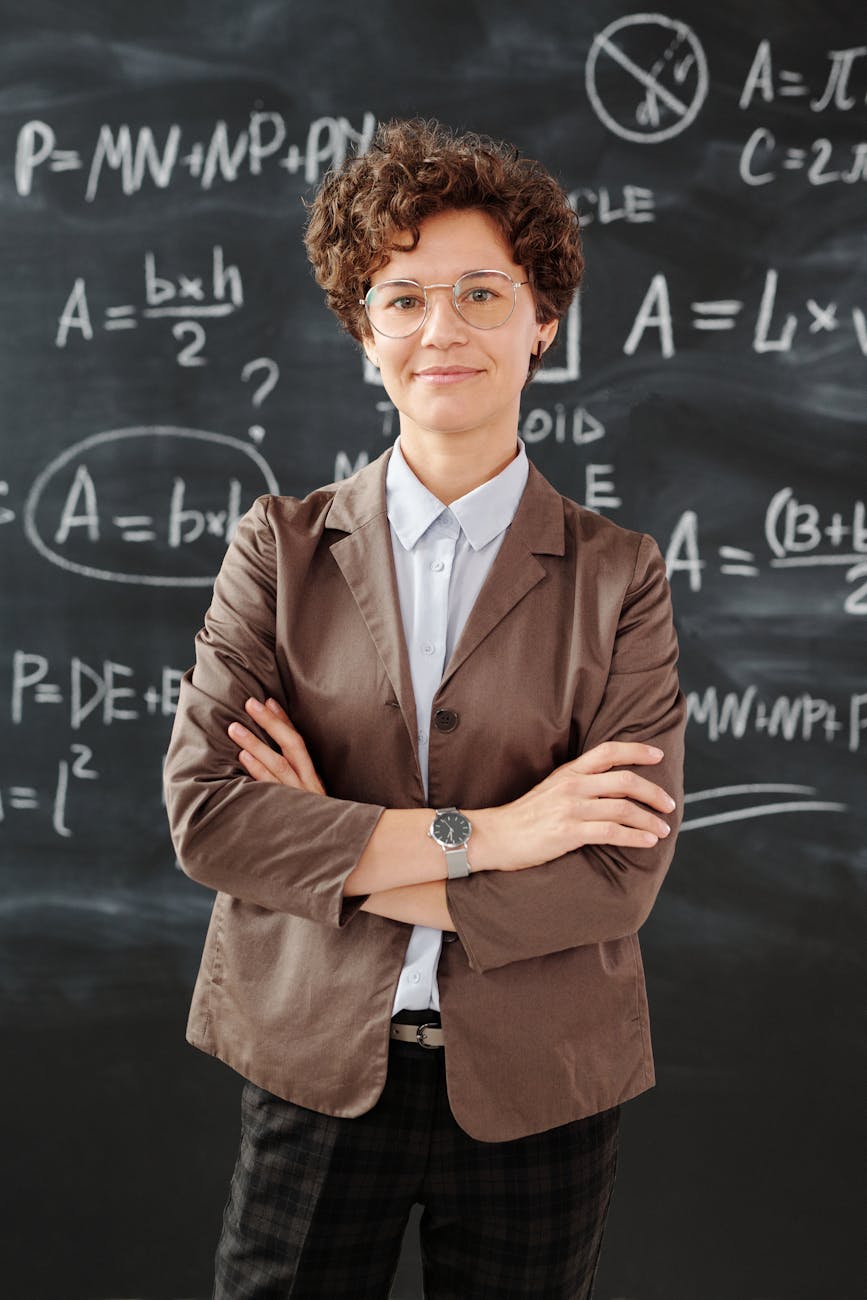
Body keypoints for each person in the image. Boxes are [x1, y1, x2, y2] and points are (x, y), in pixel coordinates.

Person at [163, 117, 686, 1300]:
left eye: (480, 294)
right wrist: (501, 833)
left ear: (542, 319)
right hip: (312, 1062)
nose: (441, 329)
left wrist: (335, 852)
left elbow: (616, 876)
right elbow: (213, 819)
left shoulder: (621, 576)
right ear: (365, 331)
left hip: (542, 1083)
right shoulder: (279, 549)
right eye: (401, 298)